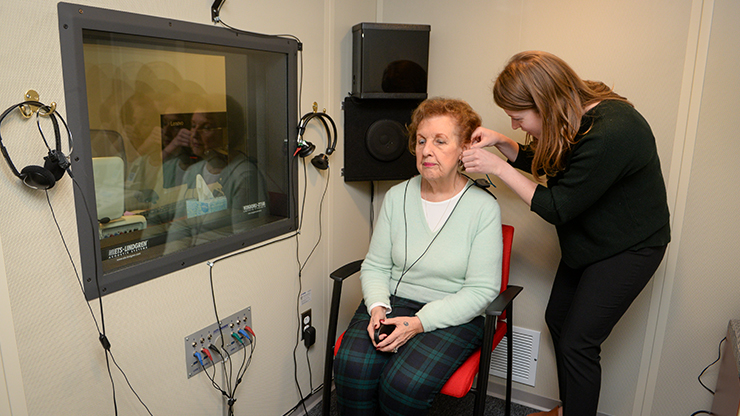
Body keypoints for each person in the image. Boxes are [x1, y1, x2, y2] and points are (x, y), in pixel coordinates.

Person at [461, 51, 671, 416]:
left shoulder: (612, 131)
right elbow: (552, 161)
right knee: (559, 321)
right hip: (589, 241)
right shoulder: (572, 114)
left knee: (578, 345)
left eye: (517, 118)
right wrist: (502, 143)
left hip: (629, 248)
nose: (516, 127)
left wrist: (498, 168)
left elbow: (558, 206)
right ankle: (569, 409)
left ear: (543, 103)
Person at [333, 98, 503, 415]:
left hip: (455, 313)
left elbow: (481, 291)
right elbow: (376, 265)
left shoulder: (483, 209)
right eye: (422, 140)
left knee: (403, 384)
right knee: (351, 369)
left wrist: (418, 323)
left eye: (440, 141)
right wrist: (377, 308)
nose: (426, 150)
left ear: (465, 148)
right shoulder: (397, 197)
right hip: (395, 300)